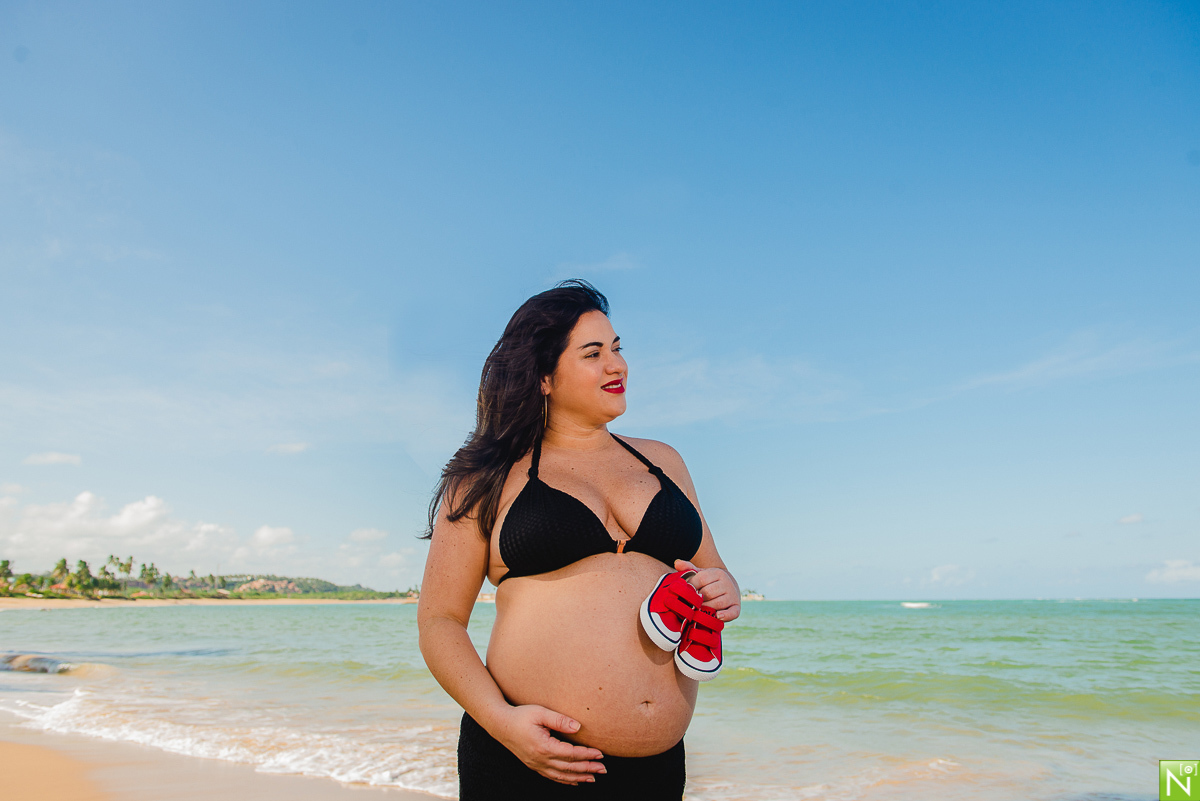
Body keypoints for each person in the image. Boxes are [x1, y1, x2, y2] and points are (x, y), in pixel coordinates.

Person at [418, 280, 740, 800]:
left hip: (656, 771)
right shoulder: (488, 476)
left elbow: (713, 570)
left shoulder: (665, 462)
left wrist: (726, 588)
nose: (617, 366)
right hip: (527, 763)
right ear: (543, 377)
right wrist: (503, 722)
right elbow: (439, 622)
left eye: (617, 348)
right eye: (593, 353)